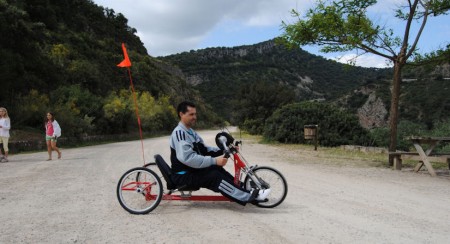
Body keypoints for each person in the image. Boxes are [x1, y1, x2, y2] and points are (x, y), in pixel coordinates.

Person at [169, 101, 270, 206]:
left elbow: (204, 149)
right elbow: (188, 158)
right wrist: (215, 160)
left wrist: (224, 149)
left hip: (192, 171)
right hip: (183, 175)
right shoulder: (179, 134)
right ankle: (250, 197)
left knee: (216, 169)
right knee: (214, 176)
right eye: (191, 114)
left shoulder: (190, 132)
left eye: (195, 114)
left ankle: (242, 188)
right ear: (181, 114)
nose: (195, 117)